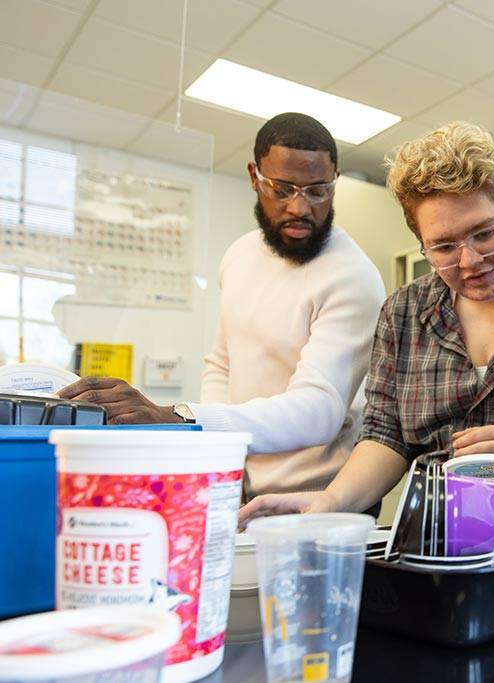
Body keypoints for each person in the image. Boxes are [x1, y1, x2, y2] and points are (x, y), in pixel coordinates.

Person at [239, 122, 494, 572]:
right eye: (444, 246)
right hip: (432, 532)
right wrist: (330, 501)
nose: (469, 261)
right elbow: (386, 437)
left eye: (485, 233)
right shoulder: (405, 312)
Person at [59, 113, 386, 500]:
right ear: (254, 177)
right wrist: (215, 450)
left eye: (317, 191)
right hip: (236, 483)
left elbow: (319, 412)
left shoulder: (352, 276)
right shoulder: (239, 255)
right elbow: (222, 363)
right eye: (282, 189)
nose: (300, 207)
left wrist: (179, 416)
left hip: (317, 496)